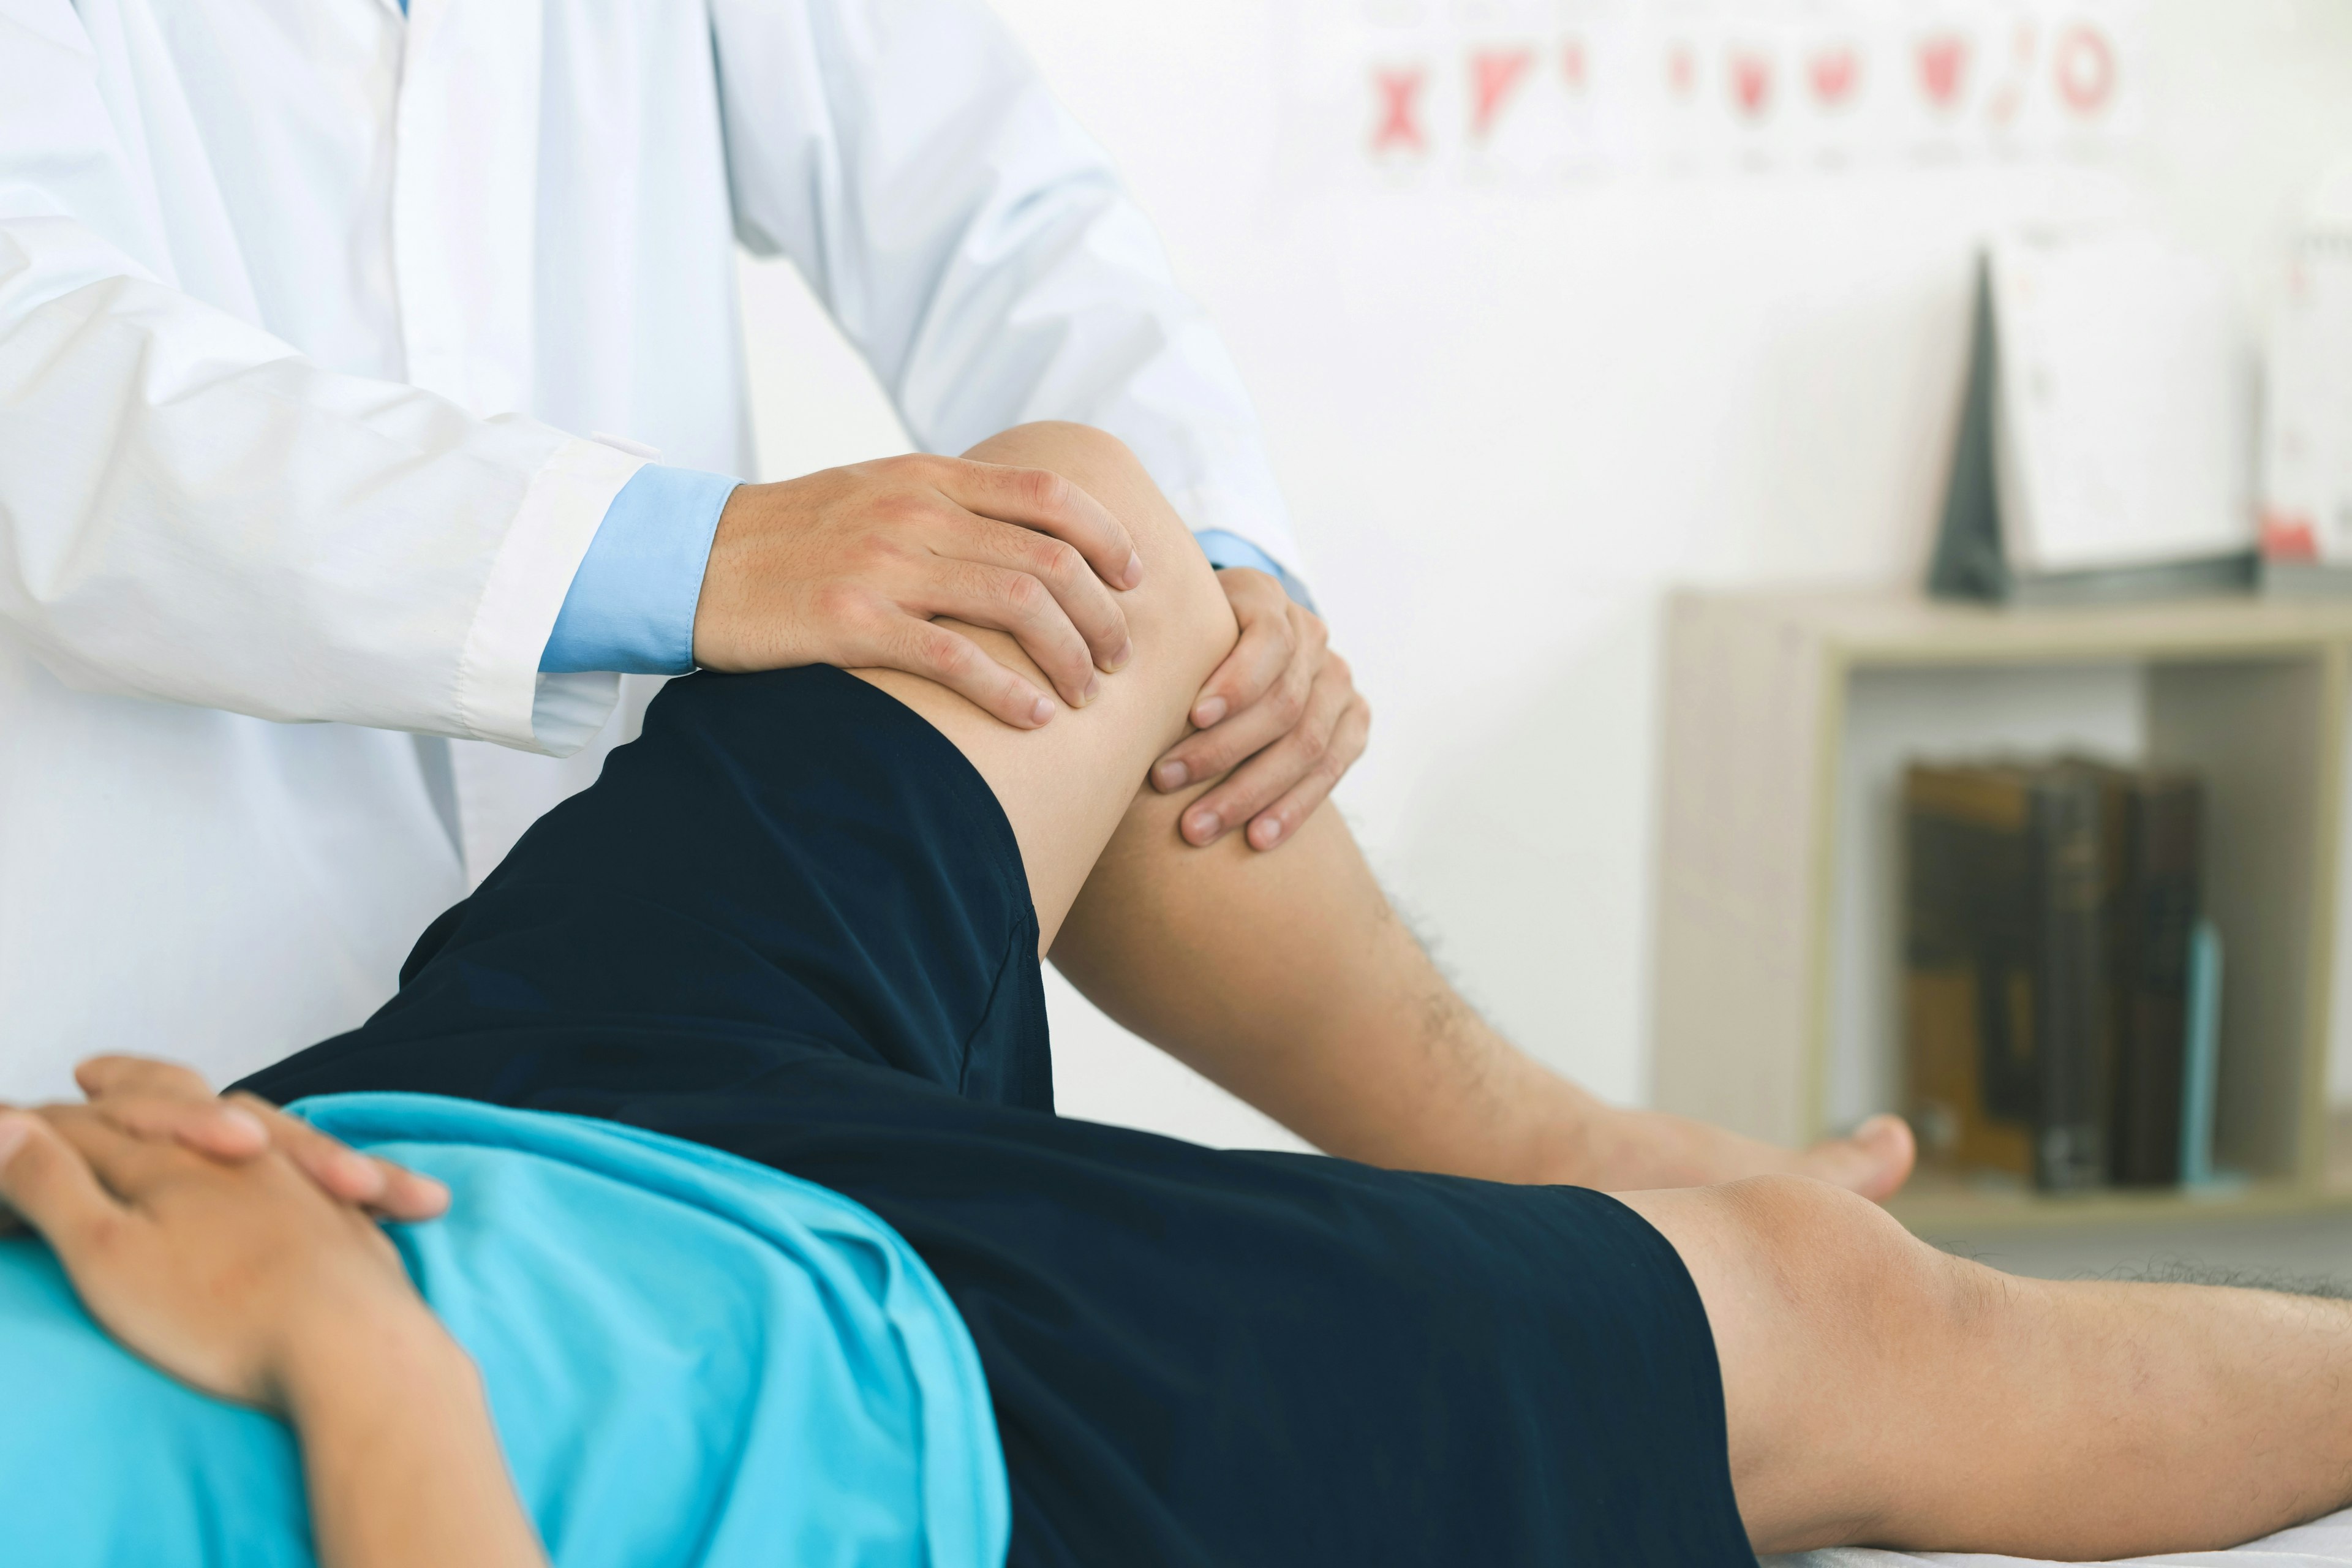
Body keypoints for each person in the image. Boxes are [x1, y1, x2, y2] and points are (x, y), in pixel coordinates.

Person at [6, 423, 2351, 1567]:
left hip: (458, 1115)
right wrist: (331, 1336)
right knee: (1846, 1333)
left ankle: (1555, 1151)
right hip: (893, 1421)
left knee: (1074, 555)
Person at [1, 1, 1909, 1190]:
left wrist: (1227, 578)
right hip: (169, 1042)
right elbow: (43, 383)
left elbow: (990, 196)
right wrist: (692, 554)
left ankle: (1548, 1161)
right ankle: (1560, 1173)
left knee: (1067, 570)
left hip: (676, 1000)